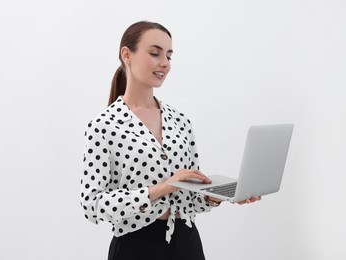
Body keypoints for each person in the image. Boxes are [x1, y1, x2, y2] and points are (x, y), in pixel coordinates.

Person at [80, 21, 261, 260]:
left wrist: (214, 196)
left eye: (169, 55)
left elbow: (190, 197)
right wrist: (161, 189)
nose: (164, 62)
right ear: (127, 54)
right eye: (155, 53)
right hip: (136, 246)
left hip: (187, 243)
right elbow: (92, 204)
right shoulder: (104, 125)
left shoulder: (180, 121)